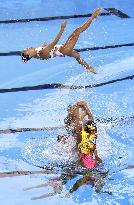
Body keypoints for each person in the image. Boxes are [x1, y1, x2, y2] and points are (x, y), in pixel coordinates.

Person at [21, 8, 102, 74]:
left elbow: (42, 53)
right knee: (77, 31)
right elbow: (54, 42)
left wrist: (43, 46)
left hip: (61, 50)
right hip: (63, 50)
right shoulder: (42, 52)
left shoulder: (36, 53)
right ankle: (93, 17)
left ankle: (90, 68)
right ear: (30, 55)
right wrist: (62, 29)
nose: (28, 48)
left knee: (77, 55)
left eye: (26, 48)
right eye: (27, 50)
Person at [59, 101, 102, 169]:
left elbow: (79, 124)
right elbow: (90, 119)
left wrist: (84, 106)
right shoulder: (92, 135)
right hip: (86, 154)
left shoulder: (82, 136)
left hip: (83, 154)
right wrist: (85, 106)